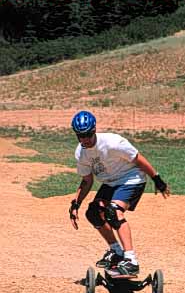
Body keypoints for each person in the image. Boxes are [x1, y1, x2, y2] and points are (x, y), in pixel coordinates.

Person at [69, 110, 170, 277]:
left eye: (87, 134)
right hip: (110, 183)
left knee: (114, 211)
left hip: (131, 178)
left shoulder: (113, 142)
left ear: (94, 130)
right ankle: (116, 251)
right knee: (93, 213)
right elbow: (87, 181)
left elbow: (138, 158)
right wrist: (75, 203)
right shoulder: (81, 153)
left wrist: (157, 179)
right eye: (80, 135)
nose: (84, 139)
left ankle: (131, 260)